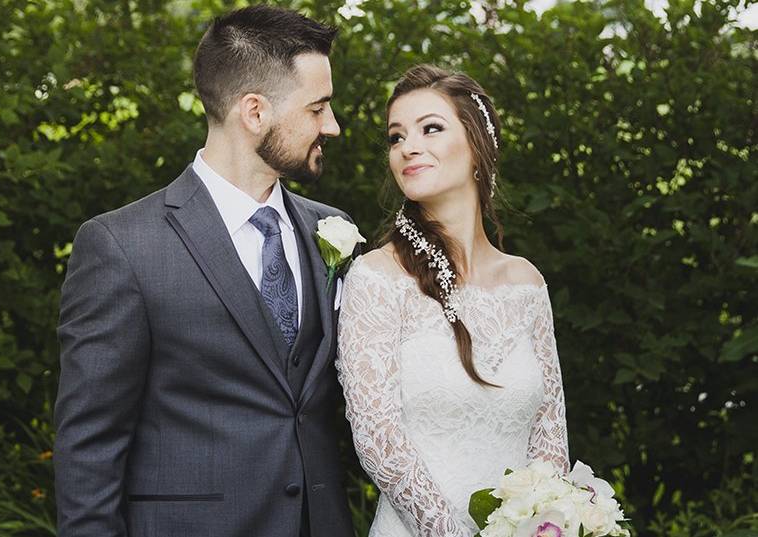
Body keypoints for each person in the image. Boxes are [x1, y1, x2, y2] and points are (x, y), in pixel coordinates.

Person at [54, 6, 356, 537]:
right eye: (319, 108)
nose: (332, 125)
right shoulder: (122, 246)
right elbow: (89, 447)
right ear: (254, 112)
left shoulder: (331, 230)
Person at [336, 64, 570, 536]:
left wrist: (548, 523)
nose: (408, 147)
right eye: (396, 137)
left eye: (431, 129)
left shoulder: (527, 283)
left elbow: (549, 434)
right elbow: (379, 439)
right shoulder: (376, 277)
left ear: (478, 146)